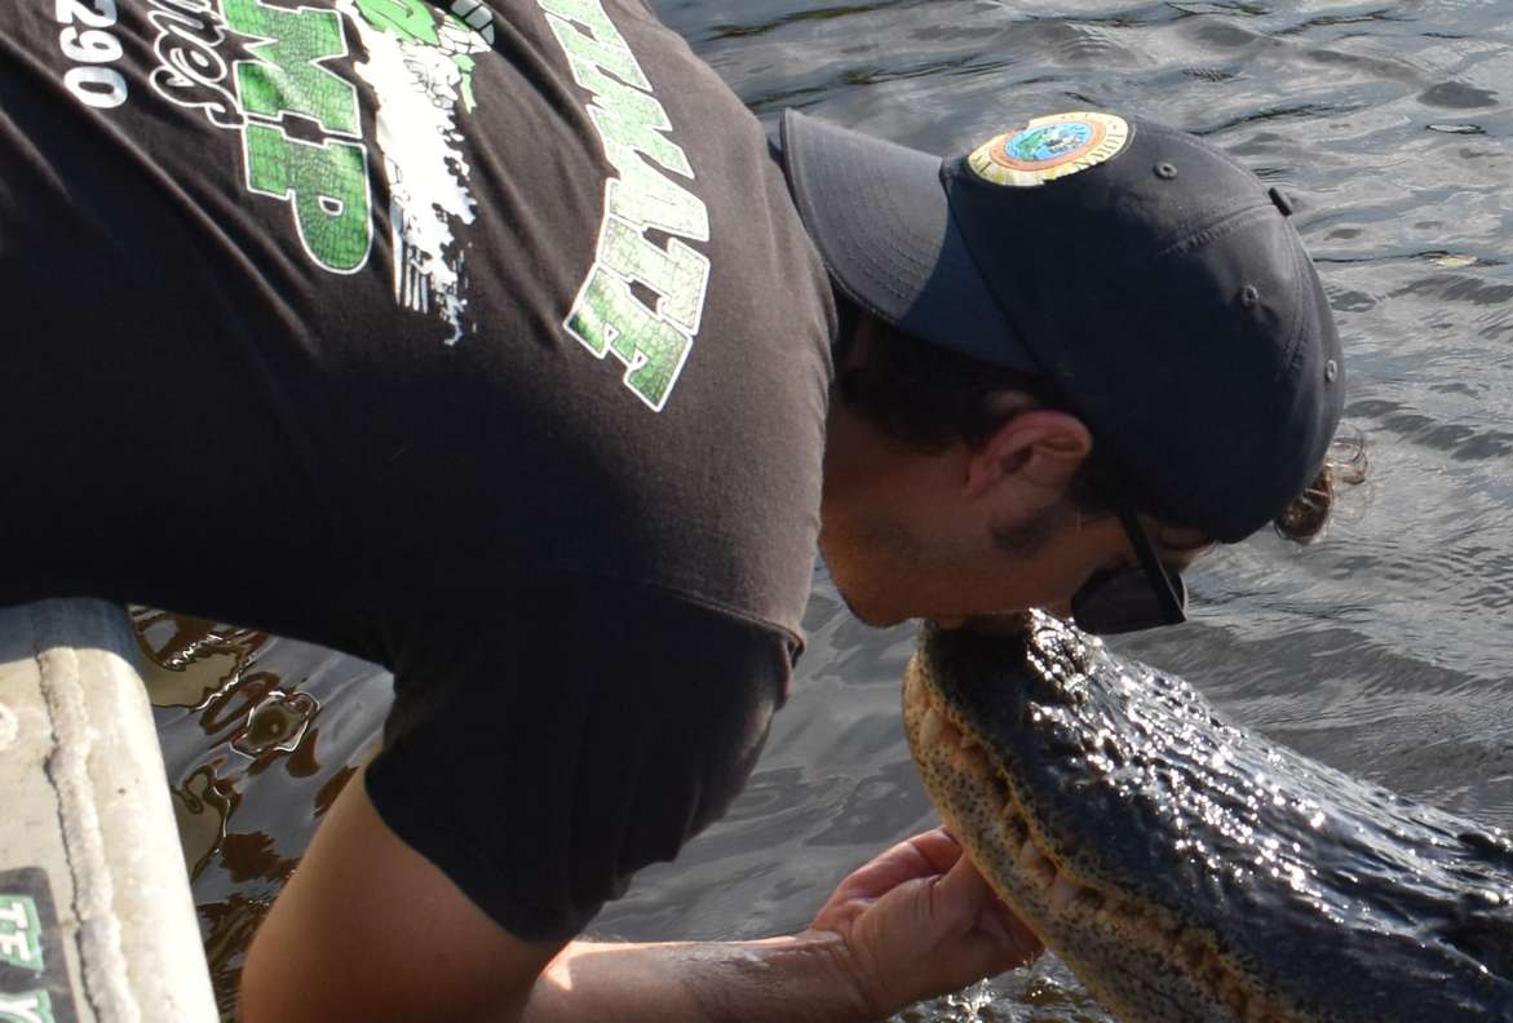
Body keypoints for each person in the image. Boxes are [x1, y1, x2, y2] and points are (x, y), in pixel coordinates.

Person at [0, 0, 1347, 1017]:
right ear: (1031, 459)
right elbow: (319, 1011)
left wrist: (850, 965)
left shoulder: (630, 57)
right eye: (1123, 584)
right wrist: (809, 984)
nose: (1066, 631)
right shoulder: (690, 588)